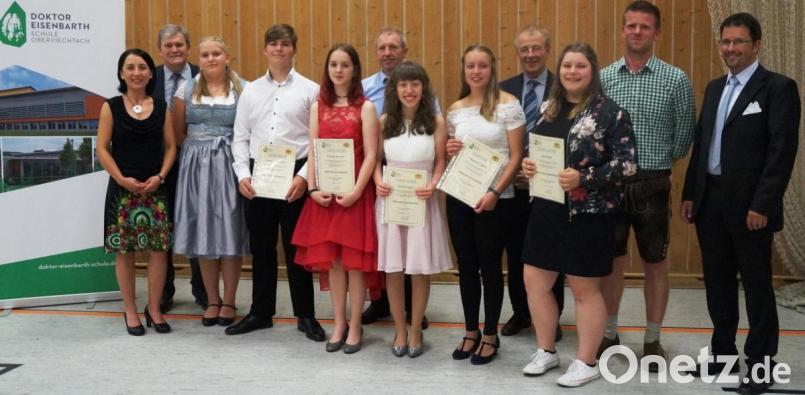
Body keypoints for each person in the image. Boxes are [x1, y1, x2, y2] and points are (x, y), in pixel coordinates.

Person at [681, 13, 800, 394]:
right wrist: (689, 193)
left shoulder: (777, 88)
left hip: (751, 209)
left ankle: (761, 365)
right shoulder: (716, 88)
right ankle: (723, 355)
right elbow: (702, 146)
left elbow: (781, 153)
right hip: (710, 203)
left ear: (757, 44)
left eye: (738, 42)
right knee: (717, 285)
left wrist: (763, 205)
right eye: (725, 42)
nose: (730, 49)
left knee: (758, 287)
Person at [520, 43, 637, 387]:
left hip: (588, 214)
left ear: (592, 71)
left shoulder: (610, 113)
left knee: (585, 290)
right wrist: (530, 165)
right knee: (535, 282)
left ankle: (586, 361)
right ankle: (546, 350)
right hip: (546, 209)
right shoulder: (549, 109)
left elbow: (628, 165)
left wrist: (584, 178)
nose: (572, 71)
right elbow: (540, 150)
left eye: (580, 66)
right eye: (567, 65)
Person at [598, 0, 696, 364]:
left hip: (653, 183)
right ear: (623, 30)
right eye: (631, 26)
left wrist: (651, 162)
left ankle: (652, 340)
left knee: (656, 263)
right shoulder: (604, 78)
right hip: (610, 184)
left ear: (656, 32)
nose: (637, 32)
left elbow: (685, 137)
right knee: (612, 263)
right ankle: (609, 334)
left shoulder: (676, 79)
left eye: (645, 26)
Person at [227, 24, 325, 341]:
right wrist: (242, 174)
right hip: (258, 175)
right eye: (273, 44)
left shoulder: (311, 90)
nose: (279, 49)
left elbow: (318, 141)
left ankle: (306, 316)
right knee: (262, 248)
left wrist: (303, 176)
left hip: (295, 174)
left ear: (294, 49)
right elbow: (239, 137)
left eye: (285, 44)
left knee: (297, 250)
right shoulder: (251, 91)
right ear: (265, 50)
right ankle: (260, 313)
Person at [291, 43, 379, 354]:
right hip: (326, 196)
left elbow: (371, 155)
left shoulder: (366, 107)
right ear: (327, 70)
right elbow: (314, 150)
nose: (338, 70)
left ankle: (355, 324)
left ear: (354, 69)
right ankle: (339, 322)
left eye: (345, 64)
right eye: (333, 64)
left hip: (354, 195)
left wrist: (356, 191)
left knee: (355, 264)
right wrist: (313, 189)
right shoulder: (318, 106)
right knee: (335, 264)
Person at [446, 45, 525, 365]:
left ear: (492, 68)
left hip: (495, 200)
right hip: (460, 196)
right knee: (466, 266)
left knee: (491, 267)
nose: (476, 71)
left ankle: (490, 334)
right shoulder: (456, 108)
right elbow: (455, 151)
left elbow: (517, 155)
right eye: (470, 66)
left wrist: (495, 191)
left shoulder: (509, 105)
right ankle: (470, 331)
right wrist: (451, 148)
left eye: (482, 66)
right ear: (463, 70)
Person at [373, 61, 451, 358]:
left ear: (424, 88)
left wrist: (433, 184)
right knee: (393, 269)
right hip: (391, 202)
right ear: (394, 89)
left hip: (422, 202)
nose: (409, 90)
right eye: (403, 84)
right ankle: (400, 329)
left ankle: (416, 328)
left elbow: (441, 162)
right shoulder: (383, 123)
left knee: (418, 270)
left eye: (415, 84)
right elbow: (375, 161)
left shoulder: (437, 122)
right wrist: (379, 181)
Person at [97, 48, 177, 335]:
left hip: (155, 190)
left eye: (142, 67)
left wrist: (160, 176)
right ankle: (130, 309)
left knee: (158, 251)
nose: (136, 72)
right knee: (125, 251)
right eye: (130, 67)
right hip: (122, 191)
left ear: (150, 73)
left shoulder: (161, 106)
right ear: (121, 73)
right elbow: (102, 149)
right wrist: (121, 179)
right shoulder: (111, 107)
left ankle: (154, 308)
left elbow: (170, 147)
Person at [171, 36, 248, 327]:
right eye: (205, 54)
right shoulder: (186, 87)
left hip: (229, 163)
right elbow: (178, 131)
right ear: (199, 59)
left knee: (229, 229)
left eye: (216, 53)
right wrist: (198, 152)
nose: (211, 58)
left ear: (227, 56)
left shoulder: (243, 88)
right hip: (196, 165)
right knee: (203, 230)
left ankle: (229, 300)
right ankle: (212, 299)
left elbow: (248, 129)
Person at [360, 27, 430, 329]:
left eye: (393, 47)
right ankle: (380, 303)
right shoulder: (363, 89)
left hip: (415, 177)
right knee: (384, 247)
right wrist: (374, 177)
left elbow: (435, 137)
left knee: (413, 248)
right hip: (379, 173)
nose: (387, 52)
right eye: (382, 47)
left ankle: (414, 312)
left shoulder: (425, 97)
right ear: (377, 53)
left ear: (404, 50)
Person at [498, 24, 565, 340]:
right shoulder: (504, 89)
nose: (530, 54)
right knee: (515, 251)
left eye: (536, 48)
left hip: (551, 188)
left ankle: (554, 317)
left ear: (547, 50)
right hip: (513, 187)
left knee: (553, 253)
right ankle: (521, 313)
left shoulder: (563, 87)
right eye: (524, 49)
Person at [152, 24, 206, 313]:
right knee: (164, 228)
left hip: (199, 163)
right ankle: (164, 290)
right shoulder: (148, 79)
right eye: (169, 45)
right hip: (159, 165)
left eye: (179, 45)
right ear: (160, 50)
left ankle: (202, 289)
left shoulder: (205, 75)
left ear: (188, 47)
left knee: (197, 224)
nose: (174, 50)